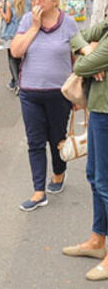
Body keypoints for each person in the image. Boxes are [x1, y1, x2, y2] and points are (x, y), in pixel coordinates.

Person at [10, 0, 78, 212]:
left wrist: (79, 94)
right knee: (35, 141)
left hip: (59, 92)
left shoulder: (68, 23)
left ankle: (58, 174)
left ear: (53, 0)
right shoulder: (29, 20)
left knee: (56, 138)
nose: (35, 2)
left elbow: (78, 56)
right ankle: (39, 191)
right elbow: (16, 51)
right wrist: (34, 28)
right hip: (30, 91)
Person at [64, 21, 108, 281]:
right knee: (94, 177)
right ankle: (97, 239)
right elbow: (74, 35)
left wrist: (86, 58)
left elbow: (81, 67)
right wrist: (87, 49)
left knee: (104, 182)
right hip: (98, 109)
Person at [0, 0, 25, 94]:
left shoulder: (9, 0)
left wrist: (0, 11)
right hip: (23, 32)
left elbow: (8, 19)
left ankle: (16, 82)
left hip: (11, 33)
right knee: (21, 58)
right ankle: (20, 80)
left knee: (11, 58)